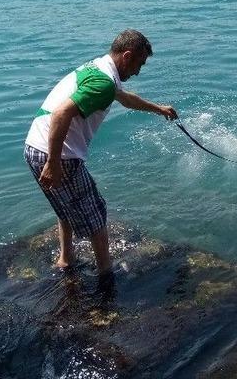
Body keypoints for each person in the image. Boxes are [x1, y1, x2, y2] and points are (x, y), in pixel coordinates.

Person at [24, 29, 177, 286]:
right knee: (95, 212)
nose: (138, 72)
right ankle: (106, 274)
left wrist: (159, 109)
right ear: (127, 56)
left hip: (33, 145)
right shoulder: (104, 83)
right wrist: (53, 162)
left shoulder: (99, 68)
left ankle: (66, 259)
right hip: (58, 154)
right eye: (139, 64)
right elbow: (61, 114)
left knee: (66, 206)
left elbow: (125, 99)